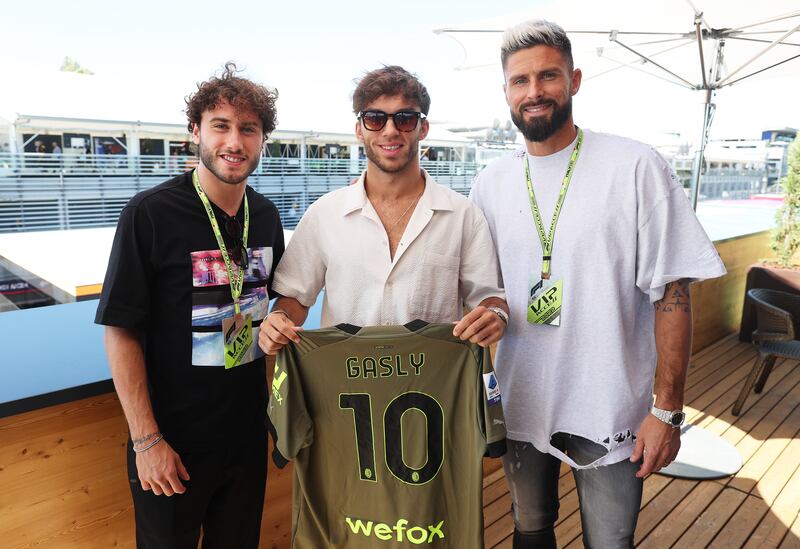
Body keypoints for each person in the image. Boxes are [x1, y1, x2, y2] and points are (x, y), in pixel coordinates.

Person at [469, 20, 727, 549]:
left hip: (610, 407)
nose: (534, 91)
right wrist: (492, 309)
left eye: (548, 75)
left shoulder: (635, 166)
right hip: (520, 402)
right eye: (520, 81)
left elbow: (673, 294)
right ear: (505, 92)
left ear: (575, 80)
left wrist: (667, 410)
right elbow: (482, 288)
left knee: (610, 542)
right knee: (529, 531)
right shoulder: (489, 181)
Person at [95, 62, 284, 549]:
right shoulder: (150, 214)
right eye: (220, 126)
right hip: (171, 443)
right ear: (195, 131)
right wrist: (147, 441)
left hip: (244, 437)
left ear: (263, 139)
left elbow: (276, 308)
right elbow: (120, 330)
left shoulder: (264, 216)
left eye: (249, 129)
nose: (234, 143)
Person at [258, 65, 508, 355]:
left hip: (435, 391)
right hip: (344, 388)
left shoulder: (464, 216)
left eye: (405, 118)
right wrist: (278, 320)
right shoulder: (324, 215)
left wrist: (495, 317)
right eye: (375, 118)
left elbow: (489, 299)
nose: (390, 130)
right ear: (359, 130)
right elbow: (295, 298)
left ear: (422, 128)